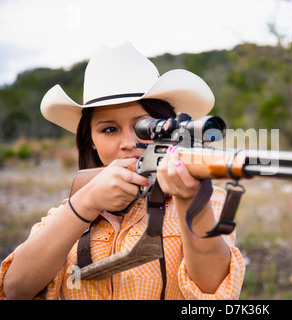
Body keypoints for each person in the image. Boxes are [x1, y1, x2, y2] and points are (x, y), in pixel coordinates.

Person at [0, 42, 245, 300]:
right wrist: (85, 204)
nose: (129, 142)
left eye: (143, 126)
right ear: (90, 140)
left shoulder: (207, 200)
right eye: (109, 129)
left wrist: (191, 202)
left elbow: (214, 294)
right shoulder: (69, 210)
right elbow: (15, 289)